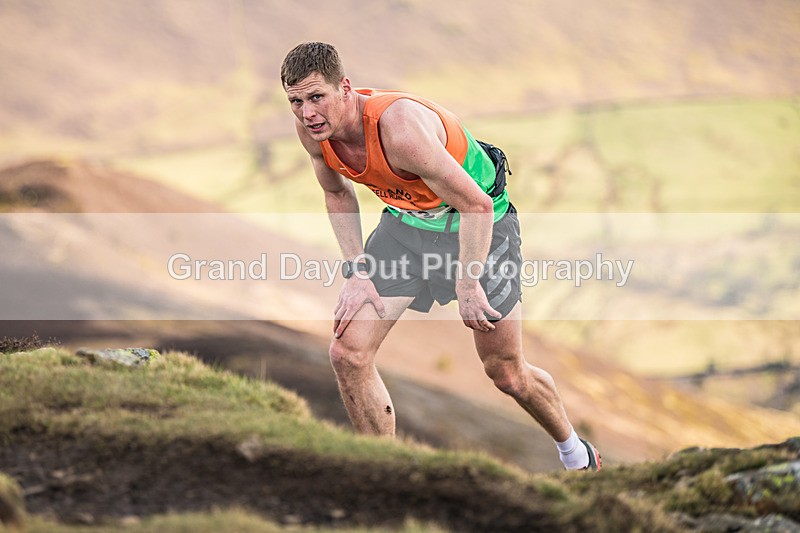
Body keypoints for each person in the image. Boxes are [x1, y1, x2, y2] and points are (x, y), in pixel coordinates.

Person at [281, 42, 601, 471]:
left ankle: (578, 455)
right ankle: (384, 475)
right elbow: (336, 191)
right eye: (295, 101)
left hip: (475, 227)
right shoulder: (314, 132)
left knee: (505, 372)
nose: (307, 113)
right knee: (348, 354)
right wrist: (358, 272)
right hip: (406, 228)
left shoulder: (400, 131)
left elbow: (478, 207)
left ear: (345, 87)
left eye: (316, 97)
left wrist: (467, 284)